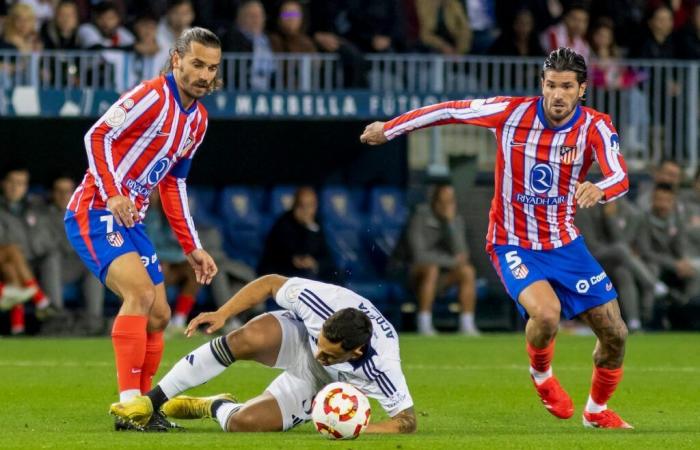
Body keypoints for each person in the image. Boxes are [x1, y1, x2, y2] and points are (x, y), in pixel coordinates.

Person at [361, 47, 632, 428]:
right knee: (547, 314)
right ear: (542, 84)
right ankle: (541, 376)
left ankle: (596, 410)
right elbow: (449, 109)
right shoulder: (511, 112)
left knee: (615, 333)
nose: (557, 94)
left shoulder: (596, 126)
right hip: (513, 242)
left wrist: (600, 189)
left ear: (582, 89)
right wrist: (389, 128)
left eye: (566, 87)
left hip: (565, 243)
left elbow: (620, 176)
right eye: (551, 85)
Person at [63, 27, 220, 430]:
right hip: (96, 208)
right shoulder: (151, 95)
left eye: (212, 68)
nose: (205, 75)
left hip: (130, 219)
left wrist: (192, 247)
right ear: (176, 60)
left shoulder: (198, 121)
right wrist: (113, 192)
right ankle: (130, 405)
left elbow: (173, 182)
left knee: (159, 314)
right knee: (140, 293)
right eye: (197, 64)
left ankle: (146, 407)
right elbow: (97, 135)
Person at [109, 274, 417, 434]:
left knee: (243, 425)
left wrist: (359, 429)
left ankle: (214, 405)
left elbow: (406, 421)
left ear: (356, 351)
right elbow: (270, 284)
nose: (320, 352)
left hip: (325, 386)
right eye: (320, 342)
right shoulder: (319, 304)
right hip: (296, 339)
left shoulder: (382, 365)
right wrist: (223, 312)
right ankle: (150, 401)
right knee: (248, 336)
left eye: (329, 354)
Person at [401, 184, 479, 336]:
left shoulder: (455, 220)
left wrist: (449, 224)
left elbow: (463, 254)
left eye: (451, 202)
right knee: (432, 269)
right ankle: (424, 323)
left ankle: (467, 324)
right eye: (444, 202)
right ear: (435, 202)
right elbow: (419, 255)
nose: (447, 206)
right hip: (414, 274)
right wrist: (452, 261)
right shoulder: (420, 216)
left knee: (467, 271)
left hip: (443, 276)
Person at [46, 176, 105, 335]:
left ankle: (94, 320)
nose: (64, 195)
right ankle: (56, 319)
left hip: (73, 264)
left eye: (68, 191)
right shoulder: (44, 214)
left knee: (94, 261)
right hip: (49, 268)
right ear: (52, 193)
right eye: (59, 191)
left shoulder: (81, 212)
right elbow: (46, 246)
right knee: (52, 259)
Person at [145, 190, 201, 334]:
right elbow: (150, 247)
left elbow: (181, 245)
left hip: (171, 262)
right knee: (161, 267)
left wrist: (183, 257)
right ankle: (156, 320)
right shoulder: (146, 214)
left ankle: (178, 321)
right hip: (148, 265)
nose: (154, 196)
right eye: (153, 193)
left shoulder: (172, 215)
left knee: (195, 269)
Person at [257, 187, 335, 281]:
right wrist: (295, 260)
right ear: (296, 206)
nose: (307, 210)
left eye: (311, 205)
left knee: (335, 273)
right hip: (283, 271)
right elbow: (278, 254)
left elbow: (325, 255)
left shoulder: (316, 224)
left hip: (307, 271)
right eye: (303, 205)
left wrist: (315, 262)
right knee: (306, 274)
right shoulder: (284, 223)